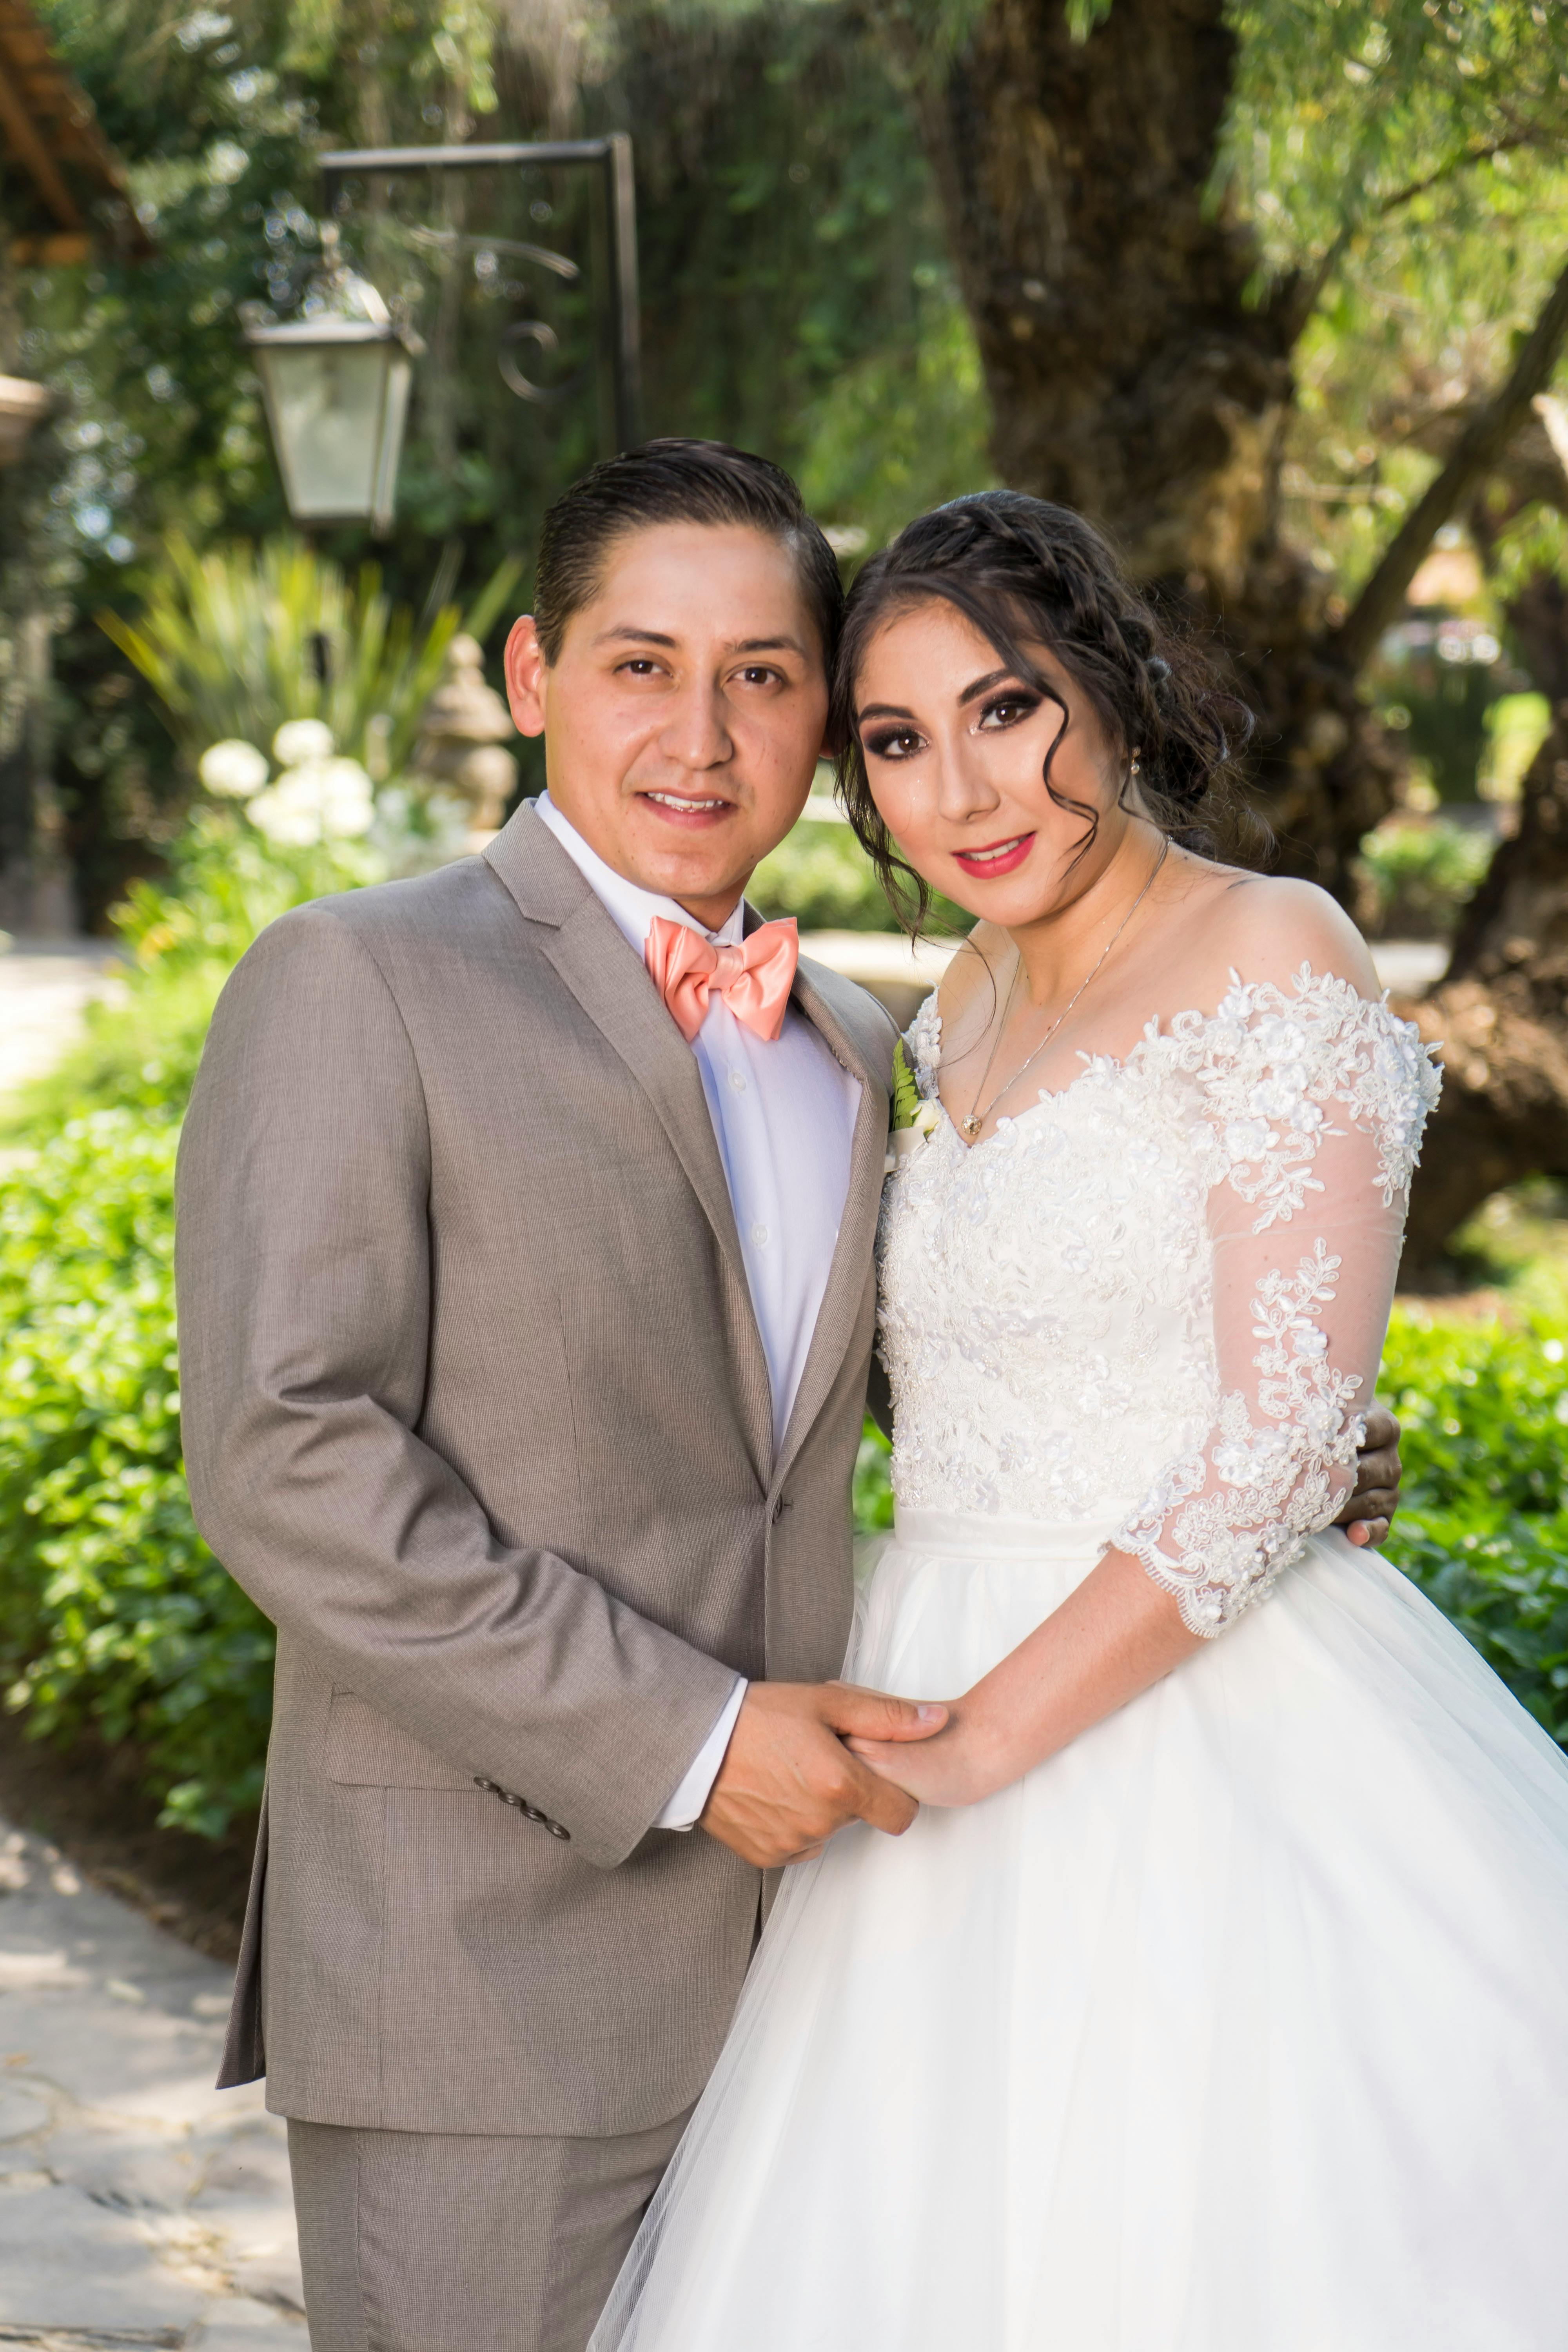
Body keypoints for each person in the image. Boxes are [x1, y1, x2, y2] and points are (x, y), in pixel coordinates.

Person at [174, 444, 1401, 2352]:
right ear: (529, 677)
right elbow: (287, 1460)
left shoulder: (864, 1036)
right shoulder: (353, 980)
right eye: (640, 664)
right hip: (486, 1970)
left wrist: (1277, 1435)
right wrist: (688, 1741)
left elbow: (914, 1389)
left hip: (861, 1958)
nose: (701, 730)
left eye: (763, 675)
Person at [589, 493, 1568, 2352]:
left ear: (1110, 692)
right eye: (898, 742)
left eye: (1008, 707)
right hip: (915, 1659)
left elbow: (1281, 1440)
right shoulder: (946, 1011)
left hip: (1184, 1718)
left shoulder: (1275, 950)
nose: (968, 790)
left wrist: (969, 1756)